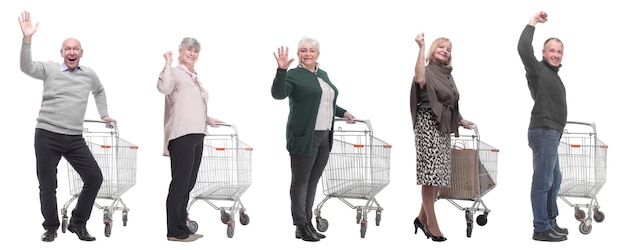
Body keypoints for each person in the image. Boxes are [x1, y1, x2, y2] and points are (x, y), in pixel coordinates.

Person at [18, 10, 117, 242]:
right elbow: (26, 67)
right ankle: (51, 227)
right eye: (67, 49)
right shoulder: (50, 69)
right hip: (47, 135)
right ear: (61, 52)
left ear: (81, 53)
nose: (71, 52)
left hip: (74, 138)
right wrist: (27, 39)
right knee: (47, 185)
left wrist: (104, 115)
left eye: (75, 48)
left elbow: (99, 90)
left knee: (94, 178)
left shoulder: (89, 74)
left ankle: (77, 223)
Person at [271, 37, 356, 242]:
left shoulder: (323, 74)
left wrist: (343, 113)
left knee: (313, 181)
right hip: (304, 136)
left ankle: (307, 222)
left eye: (311, 51)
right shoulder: (294, 75)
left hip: (325, 135)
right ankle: (300, 225)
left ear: (318, 54)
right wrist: (281, 70)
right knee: (300, 182)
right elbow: (278, 94)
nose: (307, 54)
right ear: (298, 54)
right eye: (303, 51)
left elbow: (325, 103)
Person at [409, 33, 474, 242]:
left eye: (448, 49)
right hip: (428, 124)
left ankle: (420, 218)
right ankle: (431, 224)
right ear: (433, 50)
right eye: (441, 47)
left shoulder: (446, 73)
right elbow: (419, 79)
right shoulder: (427, 70)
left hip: (443, 126)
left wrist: (461, 119)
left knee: (438, 176)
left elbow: (450, 102)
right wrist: (421, 48)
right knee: (430, 176)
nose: (445, 50)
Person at [157, 37, 223, 242]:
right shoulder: (175, 72)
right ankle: (174, 231)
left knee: (189, 183)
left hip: (197, 133)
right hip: (182, 134)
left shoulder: (194, 77)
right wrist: (167, 62)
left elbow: (190, 104)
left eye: (196, 51)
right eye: (189, 50)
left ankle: (182, 223)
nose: (192, 54)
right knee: (180, 183)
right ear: (181, 51)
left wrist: (207, 118)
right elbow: (163, 88)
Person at [518, 11, 569, 242]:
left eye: (559, 51)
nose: (556, 55)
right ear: (543, 53)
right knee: (543, 181)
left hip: (552, 134)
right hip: (543, 131)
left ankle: (550, 221)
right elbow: (522, 48)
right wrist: (533, 22)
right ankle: (540, 227)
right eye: (552, 50)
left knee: (554, 180)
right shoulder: (537, 70)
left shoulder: (554, 75)